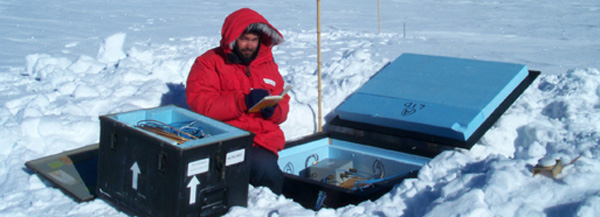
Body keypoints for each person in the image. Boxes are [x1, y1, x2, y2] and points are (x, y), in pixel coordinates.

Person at [186, 8, 289, 195]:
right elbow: (202, 106)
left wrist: (273, 111)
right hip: (227, 140)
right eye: (244, 39)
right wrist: (242, 102)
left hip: (263, 140)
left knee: (279, 176)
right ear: (233, 38)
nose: (249, 45)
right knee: (269, 174)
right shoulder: (209, 63)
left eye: (254, 40)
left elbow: (283, 103)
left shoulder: (267, 65)